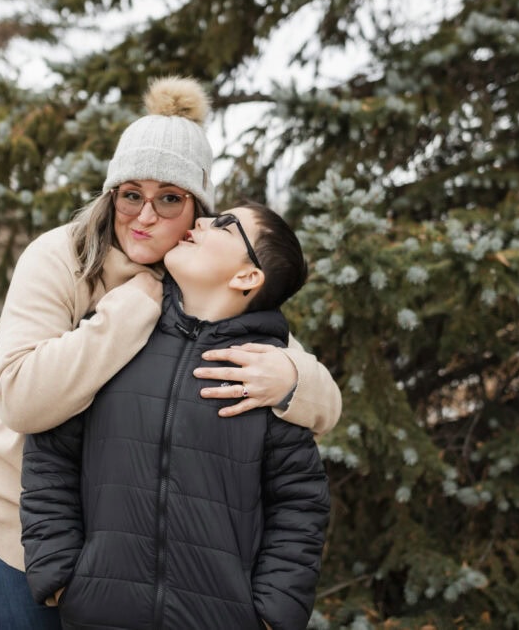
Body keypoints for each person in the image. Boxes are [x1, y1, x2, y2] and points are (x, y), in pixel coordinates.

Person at [0, 76, 341, 629]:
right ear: (112, 195)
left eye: (169, 198)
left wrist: (290, 377)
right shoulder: (62, 257)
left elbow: (321, 402)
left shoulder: (201, 277)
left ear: (198, 211)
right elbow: (20, 400)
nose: (145, 216)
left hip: (110, 543)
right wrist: (134, 307)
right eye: (131, 194)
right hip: (9, 508)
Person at [21, 202, 330, 630]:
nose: (203, 221)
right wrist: (61, 576)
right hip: (99, 613)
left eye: (226, 225)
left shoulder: (265, 373)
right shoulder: (120, 334)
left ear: (246, 276)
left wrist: (272, 613)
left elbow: (299, 503)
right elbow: (50, 455)